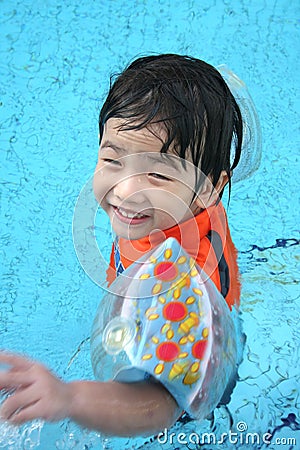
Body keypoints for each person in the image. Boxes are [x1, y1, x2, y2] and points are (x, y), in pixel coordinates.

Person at [0, 54, 246, 437]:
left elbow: (158, 406)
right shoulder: (169, 209)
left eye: (156, 173)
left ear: (208, 189)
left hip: (202, 361)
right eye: (112, 159)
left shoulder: (184, 292)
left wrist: (70, 398)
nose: (126, 190)